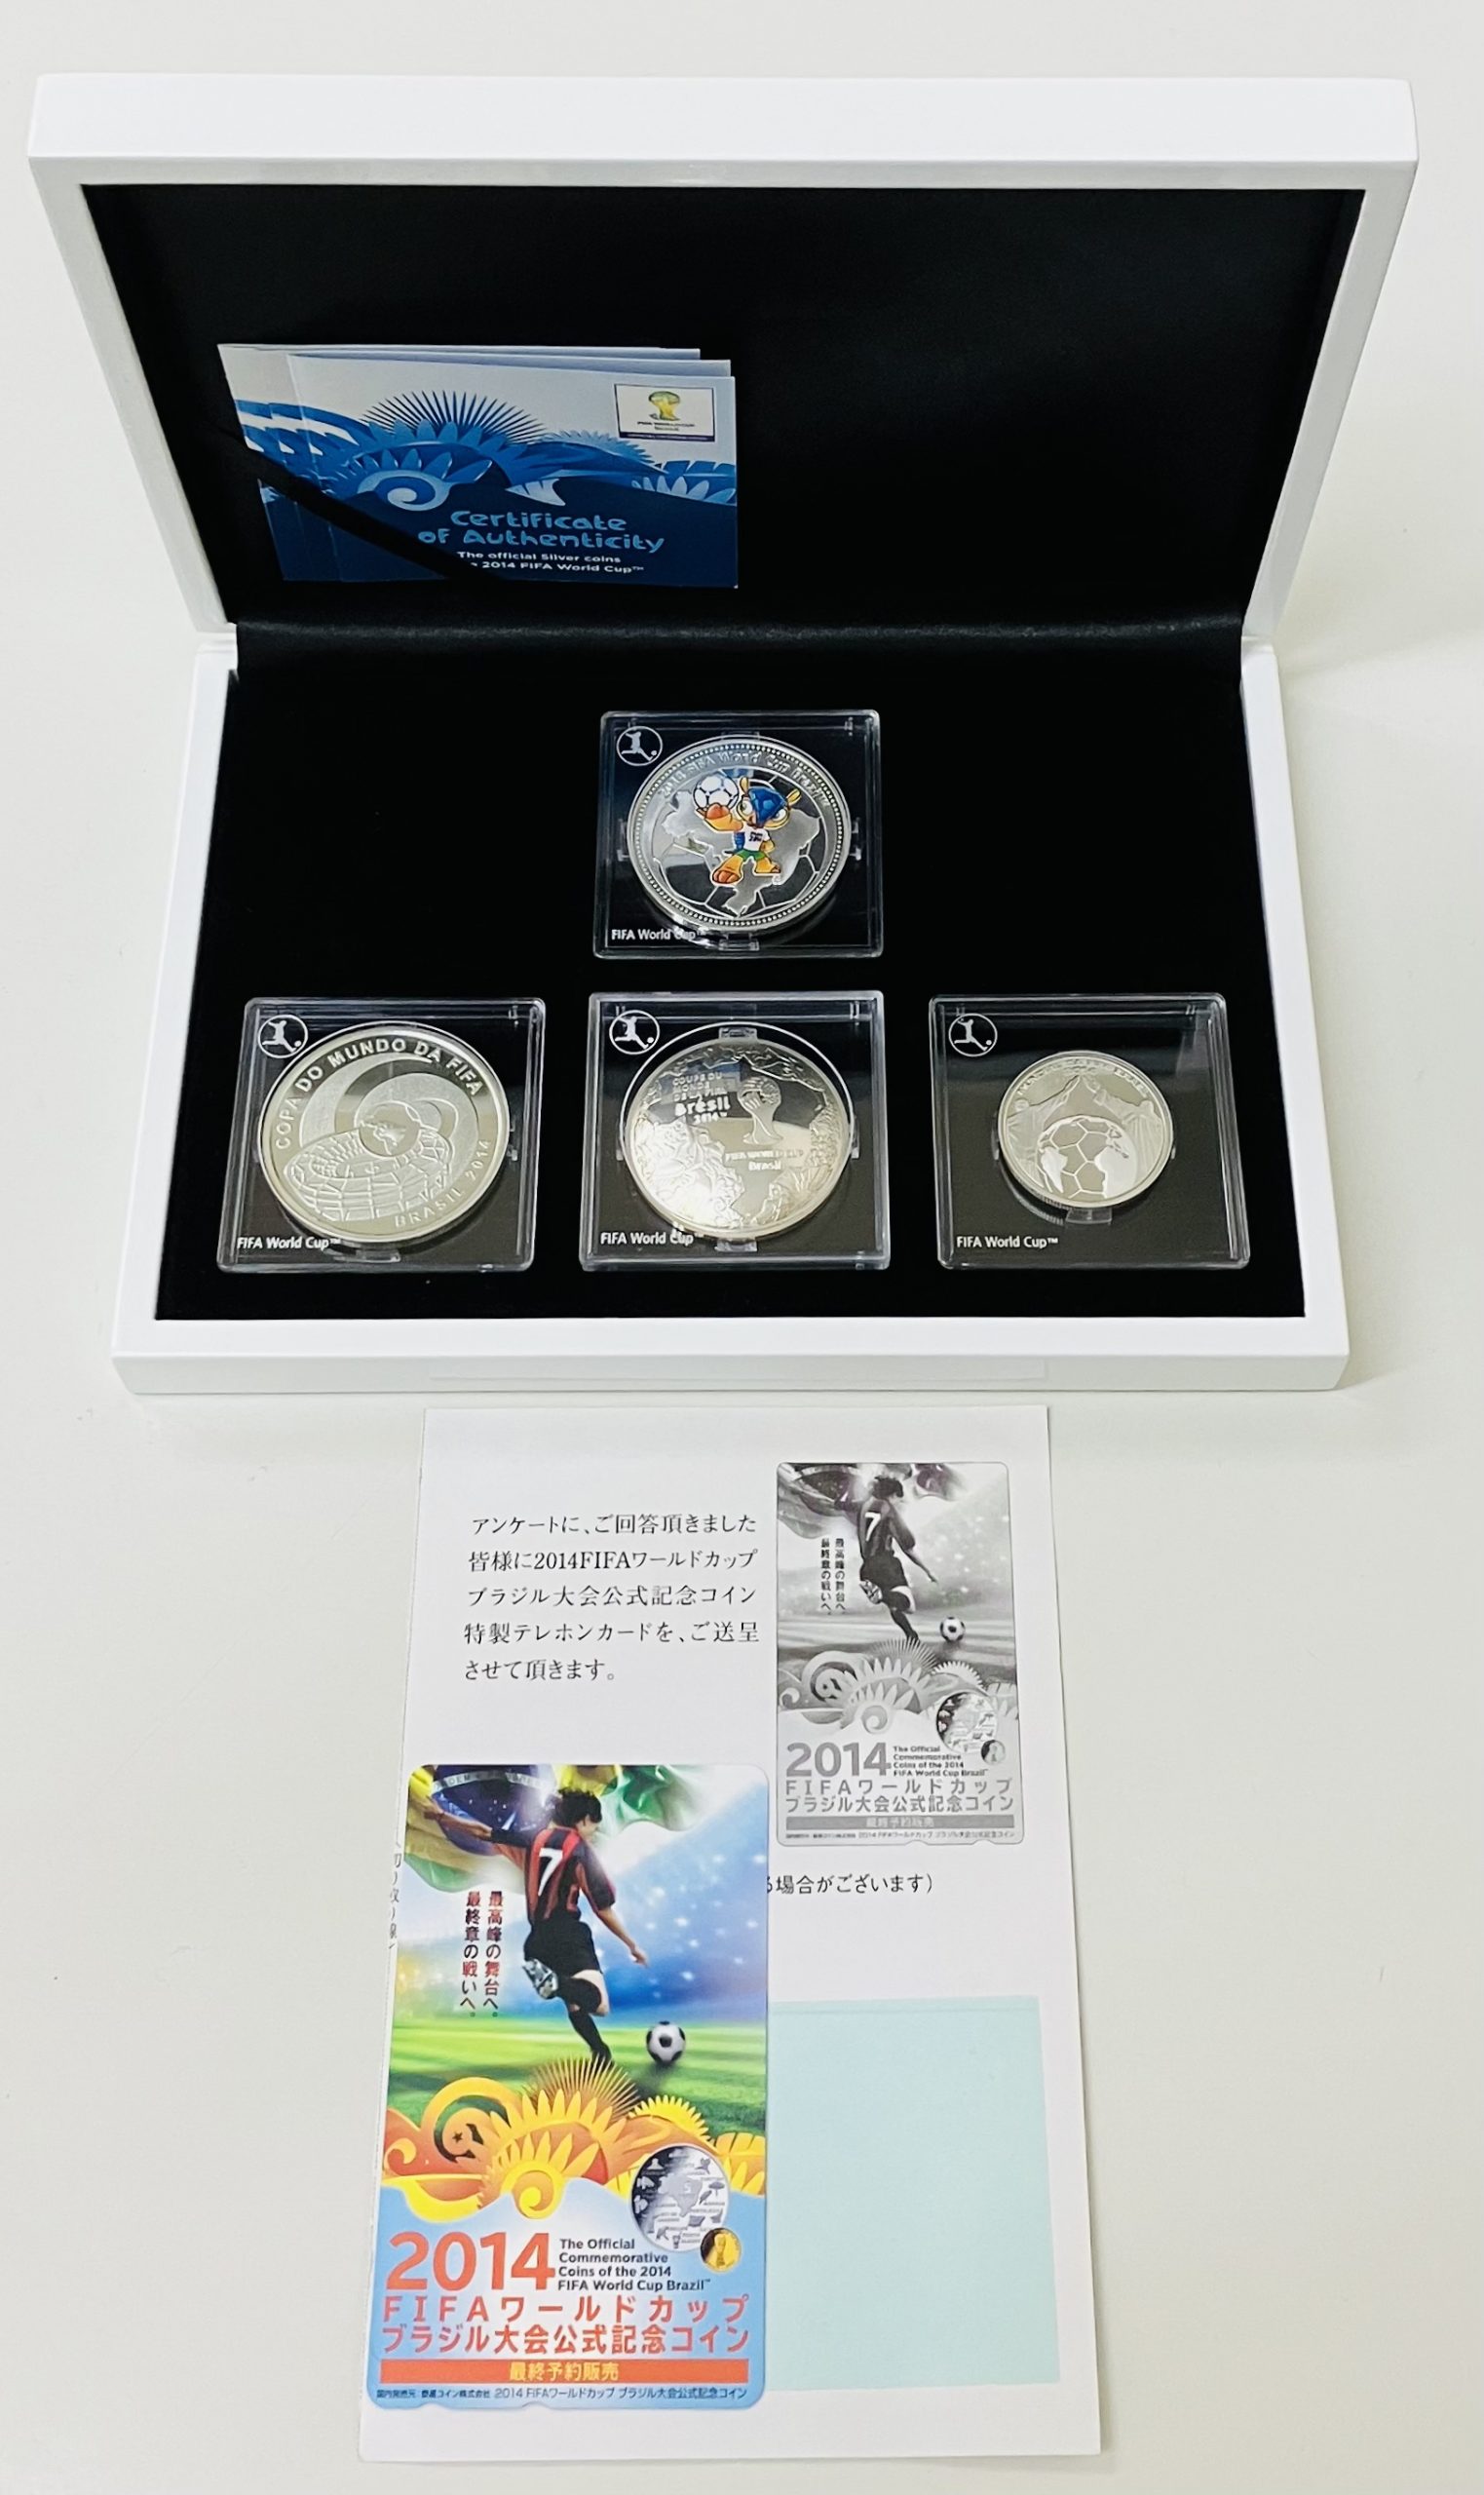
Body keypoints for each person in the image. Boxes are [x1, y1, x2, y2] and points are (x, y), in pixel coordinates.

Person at [521, 1790, 646, 2066]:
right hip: (568, 1934)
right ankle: (557, 1983)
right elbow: (602, 1908)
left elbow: (486, 1833)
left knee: (574, 2001)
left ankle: (601, 2053)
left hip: (536, 1940)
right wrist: (631, 1944)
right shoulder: (579, 1849)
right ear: (585, 1820)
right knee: (598, 2003)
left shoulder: (536, 1838)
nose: (593, 1834)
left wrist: (445, 1819)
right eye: (594, 1828)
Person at [857, 1472, 936, 1644]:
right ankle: (882, 1595)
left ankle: (912, 1637)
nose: (898, 1504)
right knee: (908, 1605)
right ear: (892, 1495)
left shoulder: (864, 1507)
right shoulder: (889, 1510)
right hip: (886, 1565)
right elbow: (907, 1547)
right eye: (898, 1500)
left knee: (894, 1605)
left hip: (867, 1568)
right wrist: (927, 1570)